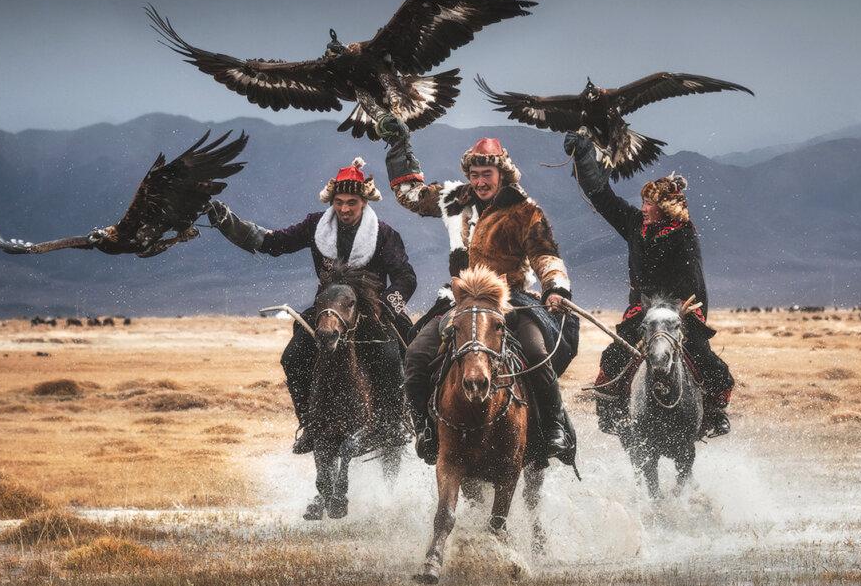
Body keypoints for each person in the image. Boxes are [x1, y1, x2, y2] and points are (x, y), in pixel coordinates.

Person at [383, 119, 578, 466]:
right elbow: (411, 194)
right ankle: (427, 430)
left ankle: (553, 427)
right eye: (474, 174)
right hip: (458, 300)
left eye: (486, 173)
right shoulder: (454, 199)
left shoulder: (525, 210)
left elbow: (546, 255)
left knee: (535, 351)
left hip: (509, 299)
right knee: (415, 354)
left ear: (502, 173)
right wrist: (399, 146)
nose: (479, 181)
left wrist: (554, 288)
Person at [207, 157, 417, 452]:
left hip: (373, 311)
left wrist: (386, 307)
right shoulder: (314, 226)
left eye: (351, 203)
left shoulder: (385, 234)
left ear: (364, 202)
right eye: (339, 202)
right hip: (328, 310)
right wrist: (228, 223)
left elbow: (406, 278)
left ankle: (392, 425)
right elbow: (273, 243)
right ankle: (309, 423)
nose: (344, 209)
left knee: (391, 358)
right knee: (292, 357)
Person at [565, 131, 733, 437]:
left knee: (706, 360)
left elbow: (694, 280)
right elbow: (604, 198)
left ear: (665, 208)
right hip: (642, 310)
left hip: (678, 310)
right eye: (642, 202)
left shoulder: (683, 233)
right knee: (613, 357)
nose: (642, 207)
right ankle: (611, 411)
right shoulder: (634, 225)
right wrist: (582, 157)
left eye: (648, 203)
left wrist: (688, 313)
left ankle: (713, 413)